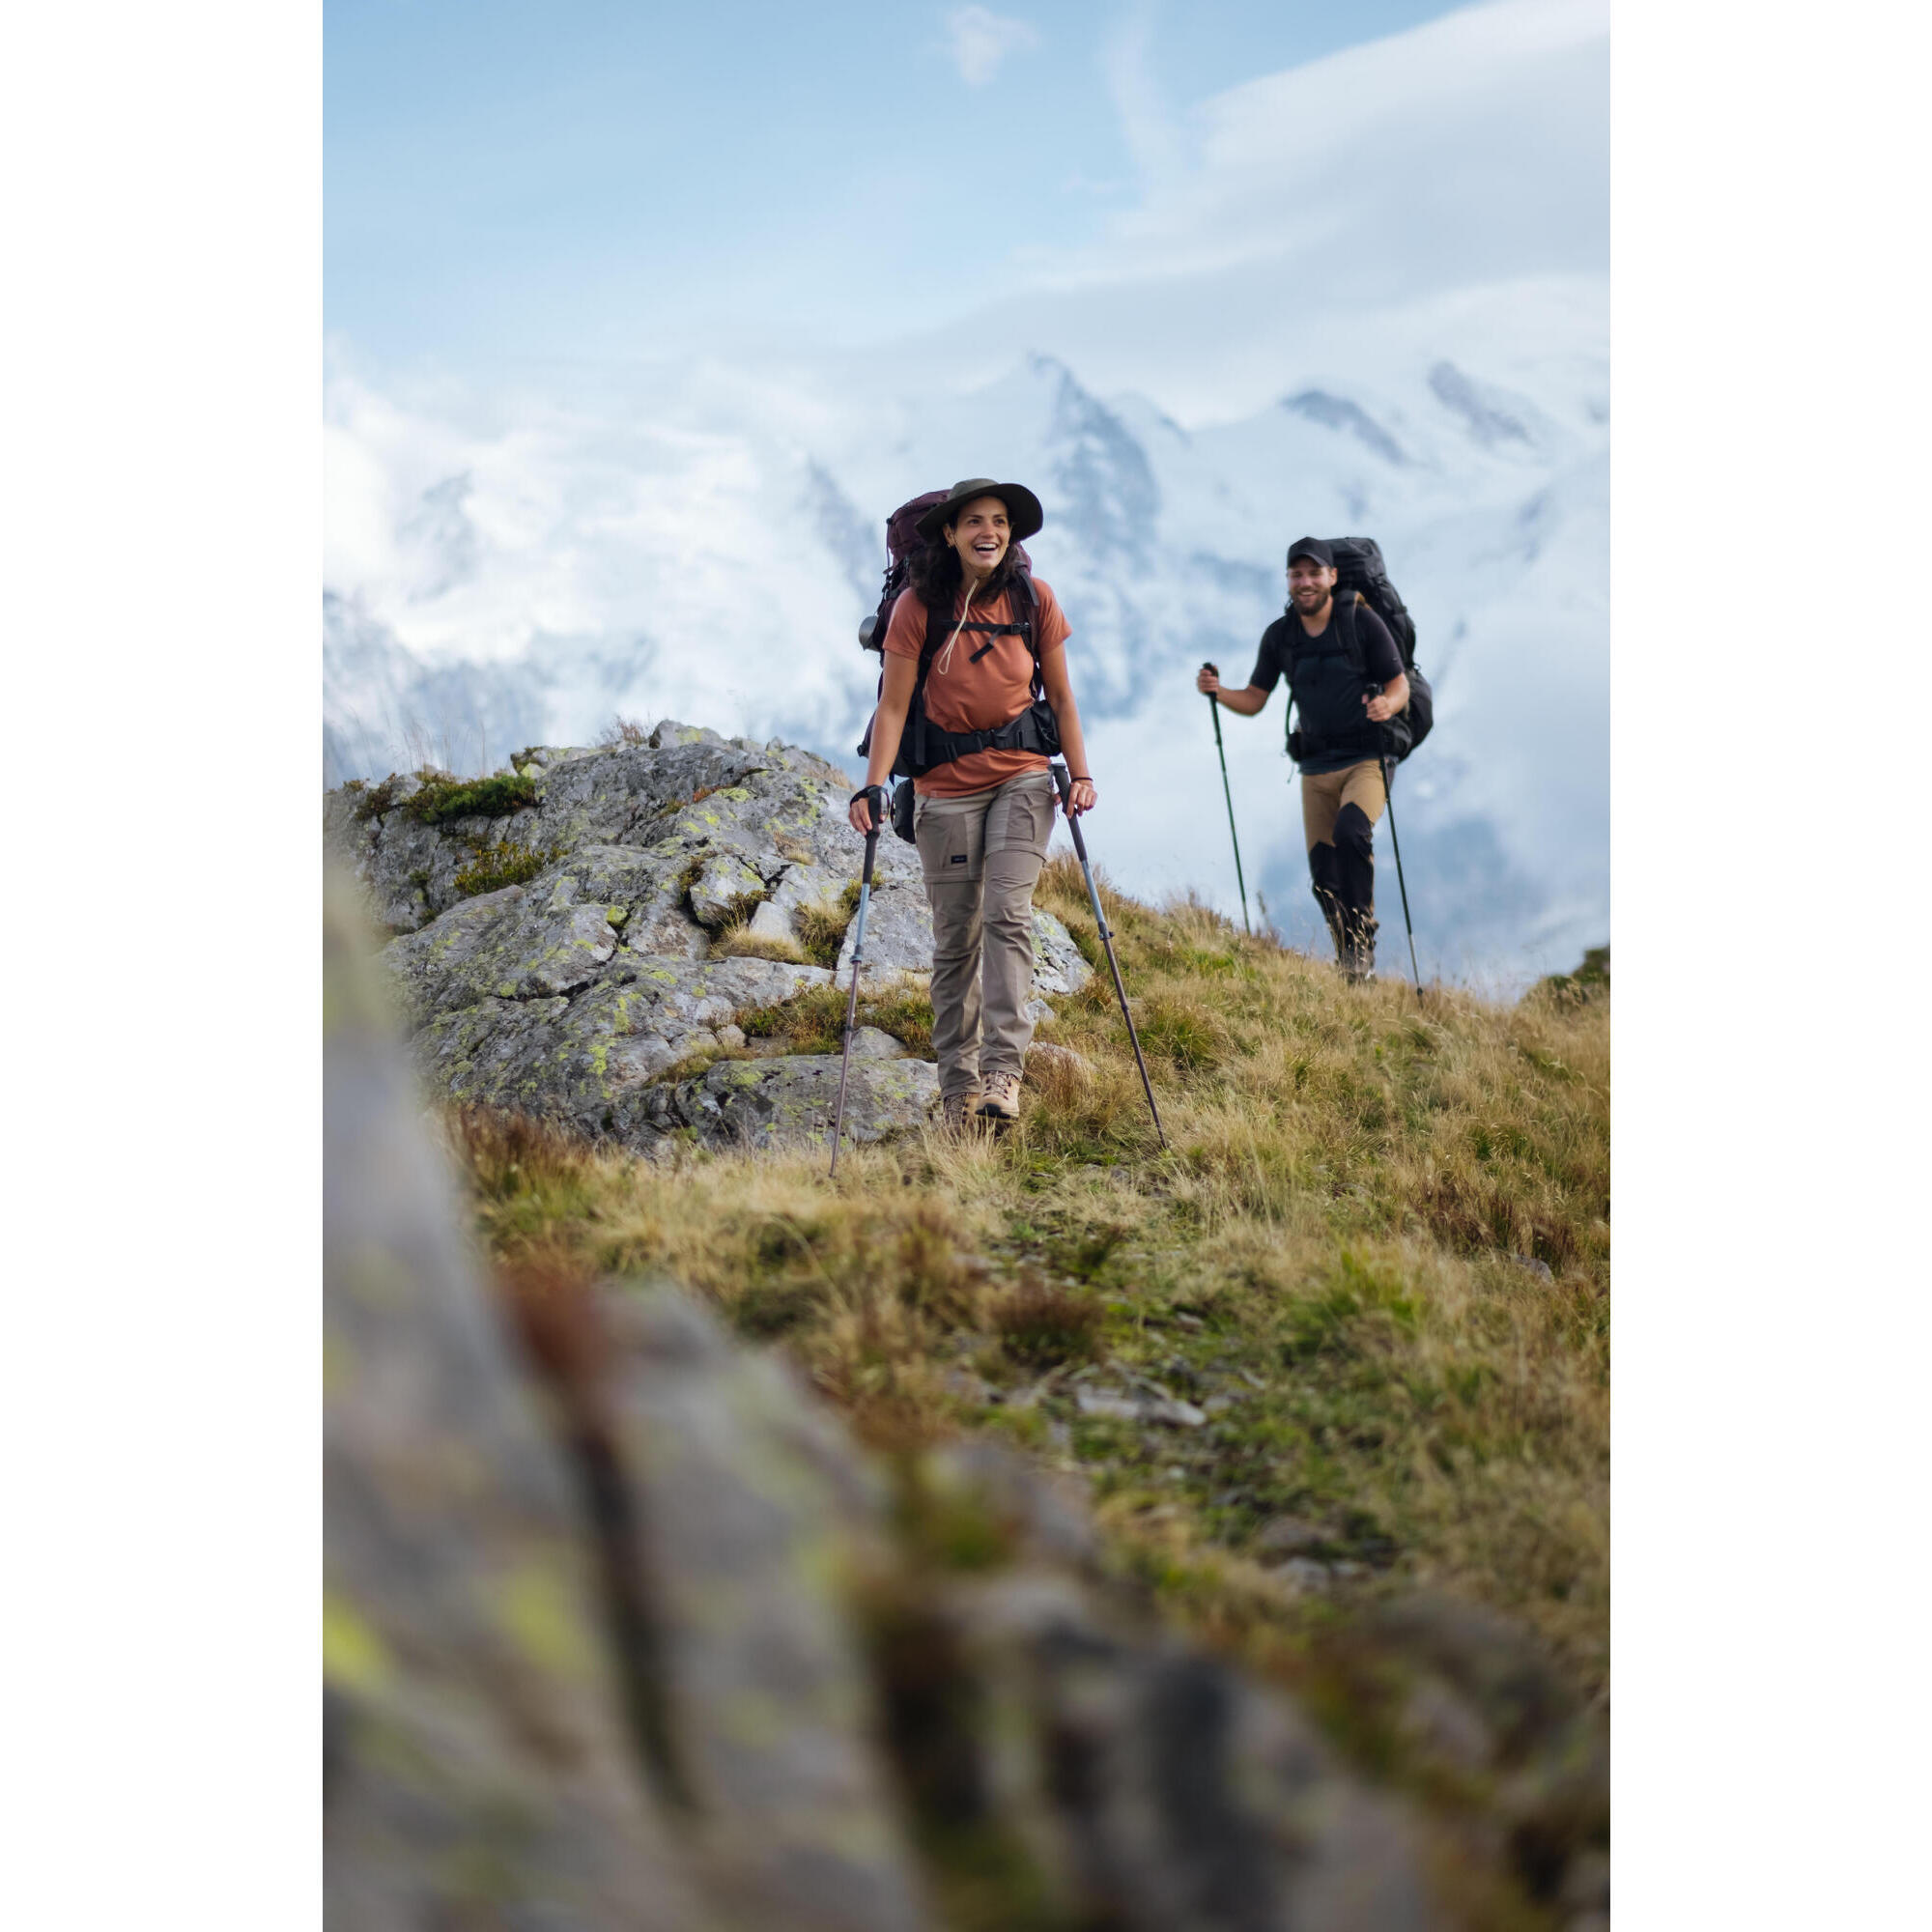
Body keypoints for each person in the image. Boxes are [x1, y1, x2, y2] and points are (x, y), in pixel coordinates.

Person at [847, 478, 1096, 1129]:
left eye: (1000, 522)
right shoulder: (916, 609)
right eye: (975, 522)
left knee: (1007, 916)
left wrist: (1081, 774)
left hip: (1022, 779)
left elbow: (1062, 699)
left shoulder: (1033, 598)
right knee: (956, 940)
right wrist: (873, 786)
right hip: (943, 791)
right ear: (951, 534)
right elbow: (894, 707)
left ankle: (1001, 1074)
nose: (989, 532)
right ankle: (957, 1088)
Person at [1195, 536, 1408, 981]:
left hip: (1367, 760)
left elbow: (1398, 684)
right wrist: (1219, 692)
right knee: (1323, 880)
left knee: (1353, 832)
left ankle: (1363, 939)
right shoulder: (1281, 636)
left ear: (1332, 577)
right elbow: (1255, 699)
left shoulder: (1362, 622)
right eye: (1297, 574)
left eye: (1314, 573)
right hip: (1315, 768)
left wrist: (1386, 706)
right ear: (1288, 580)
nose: (1305, 582)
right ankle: (1350, 960)